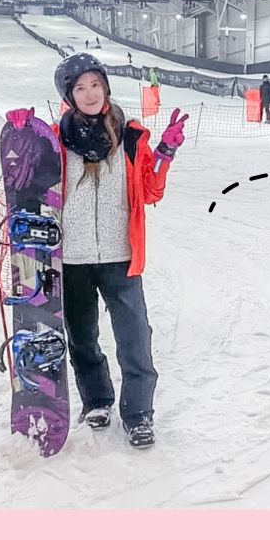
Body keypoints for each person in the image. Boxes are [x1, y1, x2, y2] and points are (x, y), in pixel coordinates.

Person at [30, 53, 187, 448]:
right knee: (82, 338)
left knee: (135, 339)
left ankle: (138, 413)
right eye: (80, 88)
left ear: (105, 86)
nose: (89, 94)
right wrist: (24, 136)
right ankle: (97, 401)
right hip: (72, 259)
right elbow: (29, 183)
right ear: (69, 96)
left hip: (120, 257)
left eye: (95, 84)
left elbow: (150, 191)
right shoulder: (54, 140)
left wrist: (165, 152)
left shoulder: (130, 137)